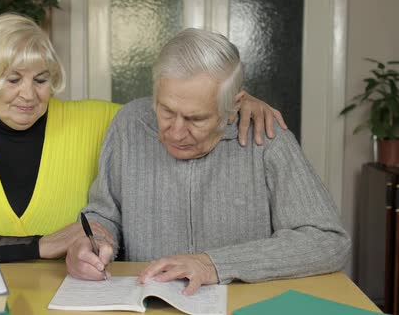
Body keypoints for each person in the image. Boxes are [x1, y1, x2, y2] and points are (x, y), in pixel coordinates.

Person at [0, 13, 287, 263]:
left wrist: (235, 100)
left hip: (73, 297)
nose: (28, 95)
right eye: (13, 79)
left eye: (41, 79)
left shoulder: (95, 119)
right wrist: (41, 245)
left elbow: (175, 107)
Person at [66, 28, 351, 295]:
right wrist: (95, 241)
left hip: (243, 304)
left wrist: (215, 264)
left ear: (234, 106)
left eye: (196, 118)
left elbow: (327, 241)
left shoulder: (267, 138)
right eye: (166, 111)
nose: (176, 132)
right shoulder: (128, 124)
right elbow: (104, 214)